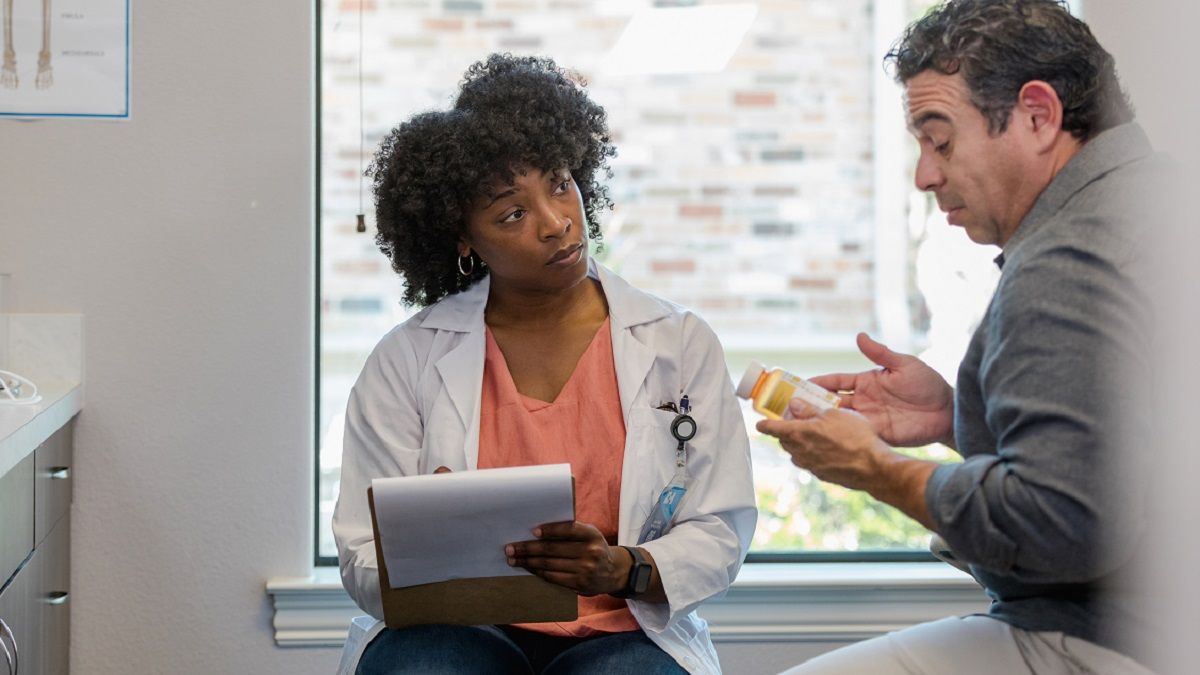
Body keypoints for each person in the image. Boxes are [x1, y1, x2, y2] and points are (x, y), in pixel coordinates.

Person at [757, 1, 1172, 673]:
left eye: (940, 139)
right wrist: (955, 417)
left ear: (1038, 116)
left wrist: (877, 470)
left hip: (1105, 639)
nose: (925, 175)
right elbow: (1122, 451)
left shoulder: (1067, 260)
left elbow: (1062, 524)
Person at [332, 53, 757, 675]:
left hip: (625, 633)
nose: (558, 223)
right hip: (457, 627)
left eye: (560, 182)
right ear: (462, 240)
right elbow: (359, 555)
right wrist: (426, 547)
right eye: (513, 213)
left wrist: (626, 567)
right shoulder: (407, 359)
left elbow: (720, 528)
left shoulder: (677, 342)